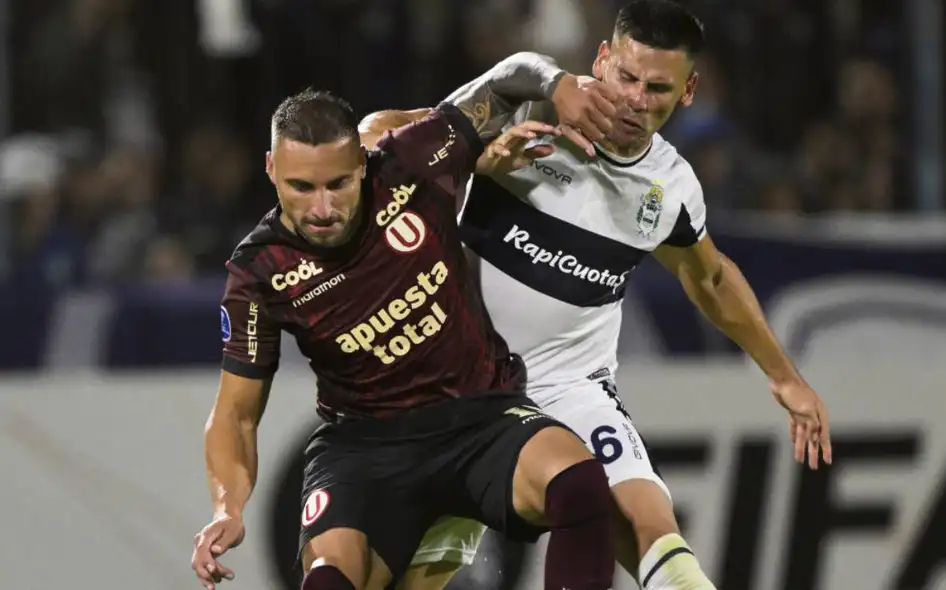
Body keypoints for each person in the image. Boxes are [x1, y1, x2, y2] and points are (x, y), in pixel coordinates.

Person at [361, 1, 833, 590]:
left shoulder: (671, 187)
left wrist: (783, 375)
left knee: (651, 528)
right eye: (627, 77)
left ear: (687, 91)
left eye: (657, 88)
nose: (636, 100)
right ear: (602, 59)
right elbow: (375, 136)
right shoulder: (522, 106)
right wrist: (472, 159)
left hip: (570, 388)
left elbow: (708, 277)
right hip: (458, 385)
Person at [189, 81, 625, 590]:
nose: (322, 208)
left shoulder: (410, 160)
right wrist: (227, 507)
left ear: (362, 163)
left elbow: (506, 82)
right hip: (367, 447)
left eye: (338, 184)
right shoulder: (259, 272)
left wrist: (553, 88)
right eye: (301, 188)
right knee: (330, 583)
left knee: (580, 487)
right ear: (271, 171)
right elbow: (235, 414)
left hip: (480, 416)